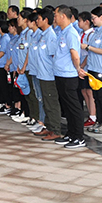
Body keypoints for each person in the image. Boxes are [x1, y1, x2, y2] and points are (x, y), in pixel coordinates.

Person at [53, 6, 86, 149]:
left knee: (74, 107)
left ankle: (79, 137)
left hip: (69, 75)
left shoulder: (71, 33)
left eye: (56, 15)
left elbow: (75, 54)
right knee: (67, 107)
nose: (54, 18)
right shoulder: (62, 32)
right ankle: (71, 133)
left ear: (63, 16)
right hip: (60, 73)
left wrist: (78, 69)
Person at [33, 10, 62, 141]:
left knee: (51, 103)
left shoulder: (51, 36)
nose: (37, 21)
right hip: (42, 74)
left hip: (49, 75)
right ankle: (49, 126)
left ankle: (56, 129)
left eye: (39, 19)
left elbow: (54, 56)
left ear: (45, 20)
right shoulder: (43, 35)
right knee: (45, 102)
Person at [77, 12, 96, 129]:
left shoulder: (91, 34)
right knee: (84, 91)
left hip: (87, 66)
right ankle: (90, 113)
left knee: (89, 92)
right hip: (81, 66)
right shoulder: (81, 34)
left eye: (80, 21)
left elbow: (90, 53)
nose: (78, 23)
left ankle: (93, 115)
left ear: (86, 22)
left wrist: (82, 65)